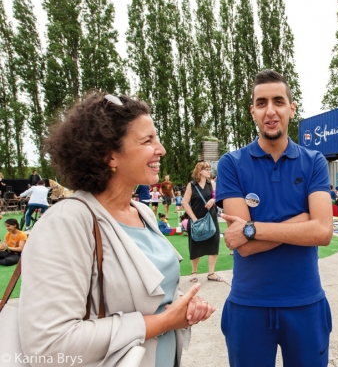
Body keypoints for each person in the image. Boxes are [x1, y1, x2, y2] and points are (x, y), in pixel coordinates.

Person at [18, 92, 214, 366]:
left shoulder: (141, 211)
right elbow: (48, 345)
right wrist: (162, 322)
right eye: (147, 140)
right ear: (110, 155)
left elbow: (152, 290)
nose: (161, 149)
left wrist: (184, 305)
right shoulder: (66, 223)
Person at [216, 69, 333, 367]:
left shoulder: (314, 161)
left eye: (279, 101)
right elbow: (242, 244)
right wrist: (302, 222)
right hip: (248, 306)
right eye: (262, 102)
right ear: (252, 111)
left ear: (291, 109)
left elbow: (322, 232)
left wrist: (253, 229)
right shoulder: (232, 163)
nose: (270, 110)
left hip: (305, 304)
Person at [182, 161, 223, 283]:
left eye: (210, 169)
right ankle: (194, 272)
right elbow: (185, 202)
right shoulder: (192, 185)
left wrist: (213, 200)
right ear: (200, 171)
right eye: (206, 169)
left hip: (211, 218)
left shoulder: (213, 184)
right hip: (196, 219)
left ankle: (211, 273)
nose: (209, 171)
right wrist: (194, 218)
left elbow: (218, 196)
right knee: (195, 246)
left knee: (214, 243)